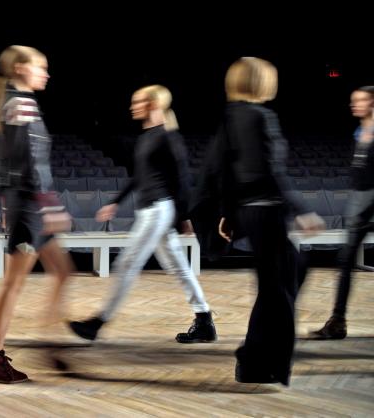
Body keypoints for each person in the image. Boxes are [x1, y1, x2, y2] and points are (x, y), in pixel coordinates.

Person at [68, 85, 216, 344]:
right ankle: (204, 319)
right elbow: (140, 176)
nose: (132, 106)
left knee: (127, 264)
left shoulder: (168, 137)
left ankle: (98, 323)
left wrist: (185, 216)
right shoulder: (147, 137)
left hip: (158, 211)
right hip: (152, 211)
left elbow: (182, 179)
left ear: (153, 104)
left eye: (137, 102)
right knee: (178, 266)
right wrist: (115, 202)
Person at [208, 57, 324, 385]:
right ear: (261, 82)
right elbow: (273, 170)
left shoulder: (231, 116)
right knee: (279, 287)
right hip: (268, 210)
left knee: (282, 278)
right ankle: (260, 363)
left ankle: (253, 360)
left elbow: (223, 170)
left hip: (249, 211)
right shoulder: (261, 116)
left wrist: (228, 214)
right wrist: (301, 208)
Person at [0, 45, 72, 384]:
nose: (46, 73)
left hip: (28, 203)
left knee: (63, 271)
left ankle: (49, 343)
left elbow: (10, 161)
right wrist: (48, 206)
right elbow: (28, 160)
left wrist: (10, 201)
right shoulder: (20, 104)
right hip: (32, 206)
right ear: (20, 68)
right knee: (13, 284)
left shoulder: (17, 102)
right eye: (40, 67)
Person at [311, 85, 374, 339]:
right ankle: (337, 322)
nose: (353, 104)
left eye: (360, 100)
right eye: (352, 100)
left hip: (370, 203)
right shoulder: (359, 133)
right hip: (360, 201)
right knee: (345, 261)